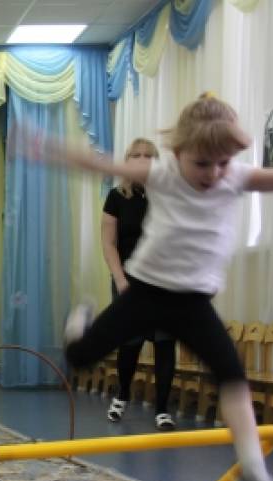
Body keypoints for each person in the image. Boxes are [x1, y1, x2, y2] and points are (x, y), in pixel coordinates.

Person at [37, 93, 273, 481]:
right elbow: (103, 165)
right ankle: (79, 323)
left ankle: (253, 467)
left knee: (232, 375)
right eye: (202, 164)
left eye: (222, 163)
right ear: (178, 153)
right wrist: (49, 148)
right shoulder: (161, 174)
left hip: (193, 303)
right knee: (80, 357)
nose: (214, 174)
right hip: (146, 293)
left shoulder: (235, 177)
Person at [101, 138, 177, 431]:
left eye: (149, 155)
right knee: (130, 343)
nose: (143, 159)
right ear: (128, 161)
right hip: (129, 279)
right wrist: (120, 279)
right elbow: (109, 243)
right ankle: (122, 394)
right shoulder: (116, 198)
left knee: (165, 342)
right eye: (137, 155)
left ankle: (162, 409)